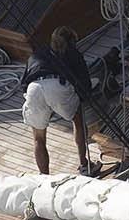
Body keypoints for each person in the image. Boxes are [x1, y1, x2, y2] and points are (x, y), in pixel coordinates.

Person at [21, 26, 95, 176]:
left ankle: (44, 177)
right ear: (71, 42)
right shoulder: (73, 53)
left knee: (38, 137)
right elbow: (84, 83)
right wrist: (83, 98)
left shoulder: (38, 54)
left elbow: (23, 83)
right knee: (77, 120)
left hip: (33, 88)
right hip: (57, 85)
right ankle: (84, 164)